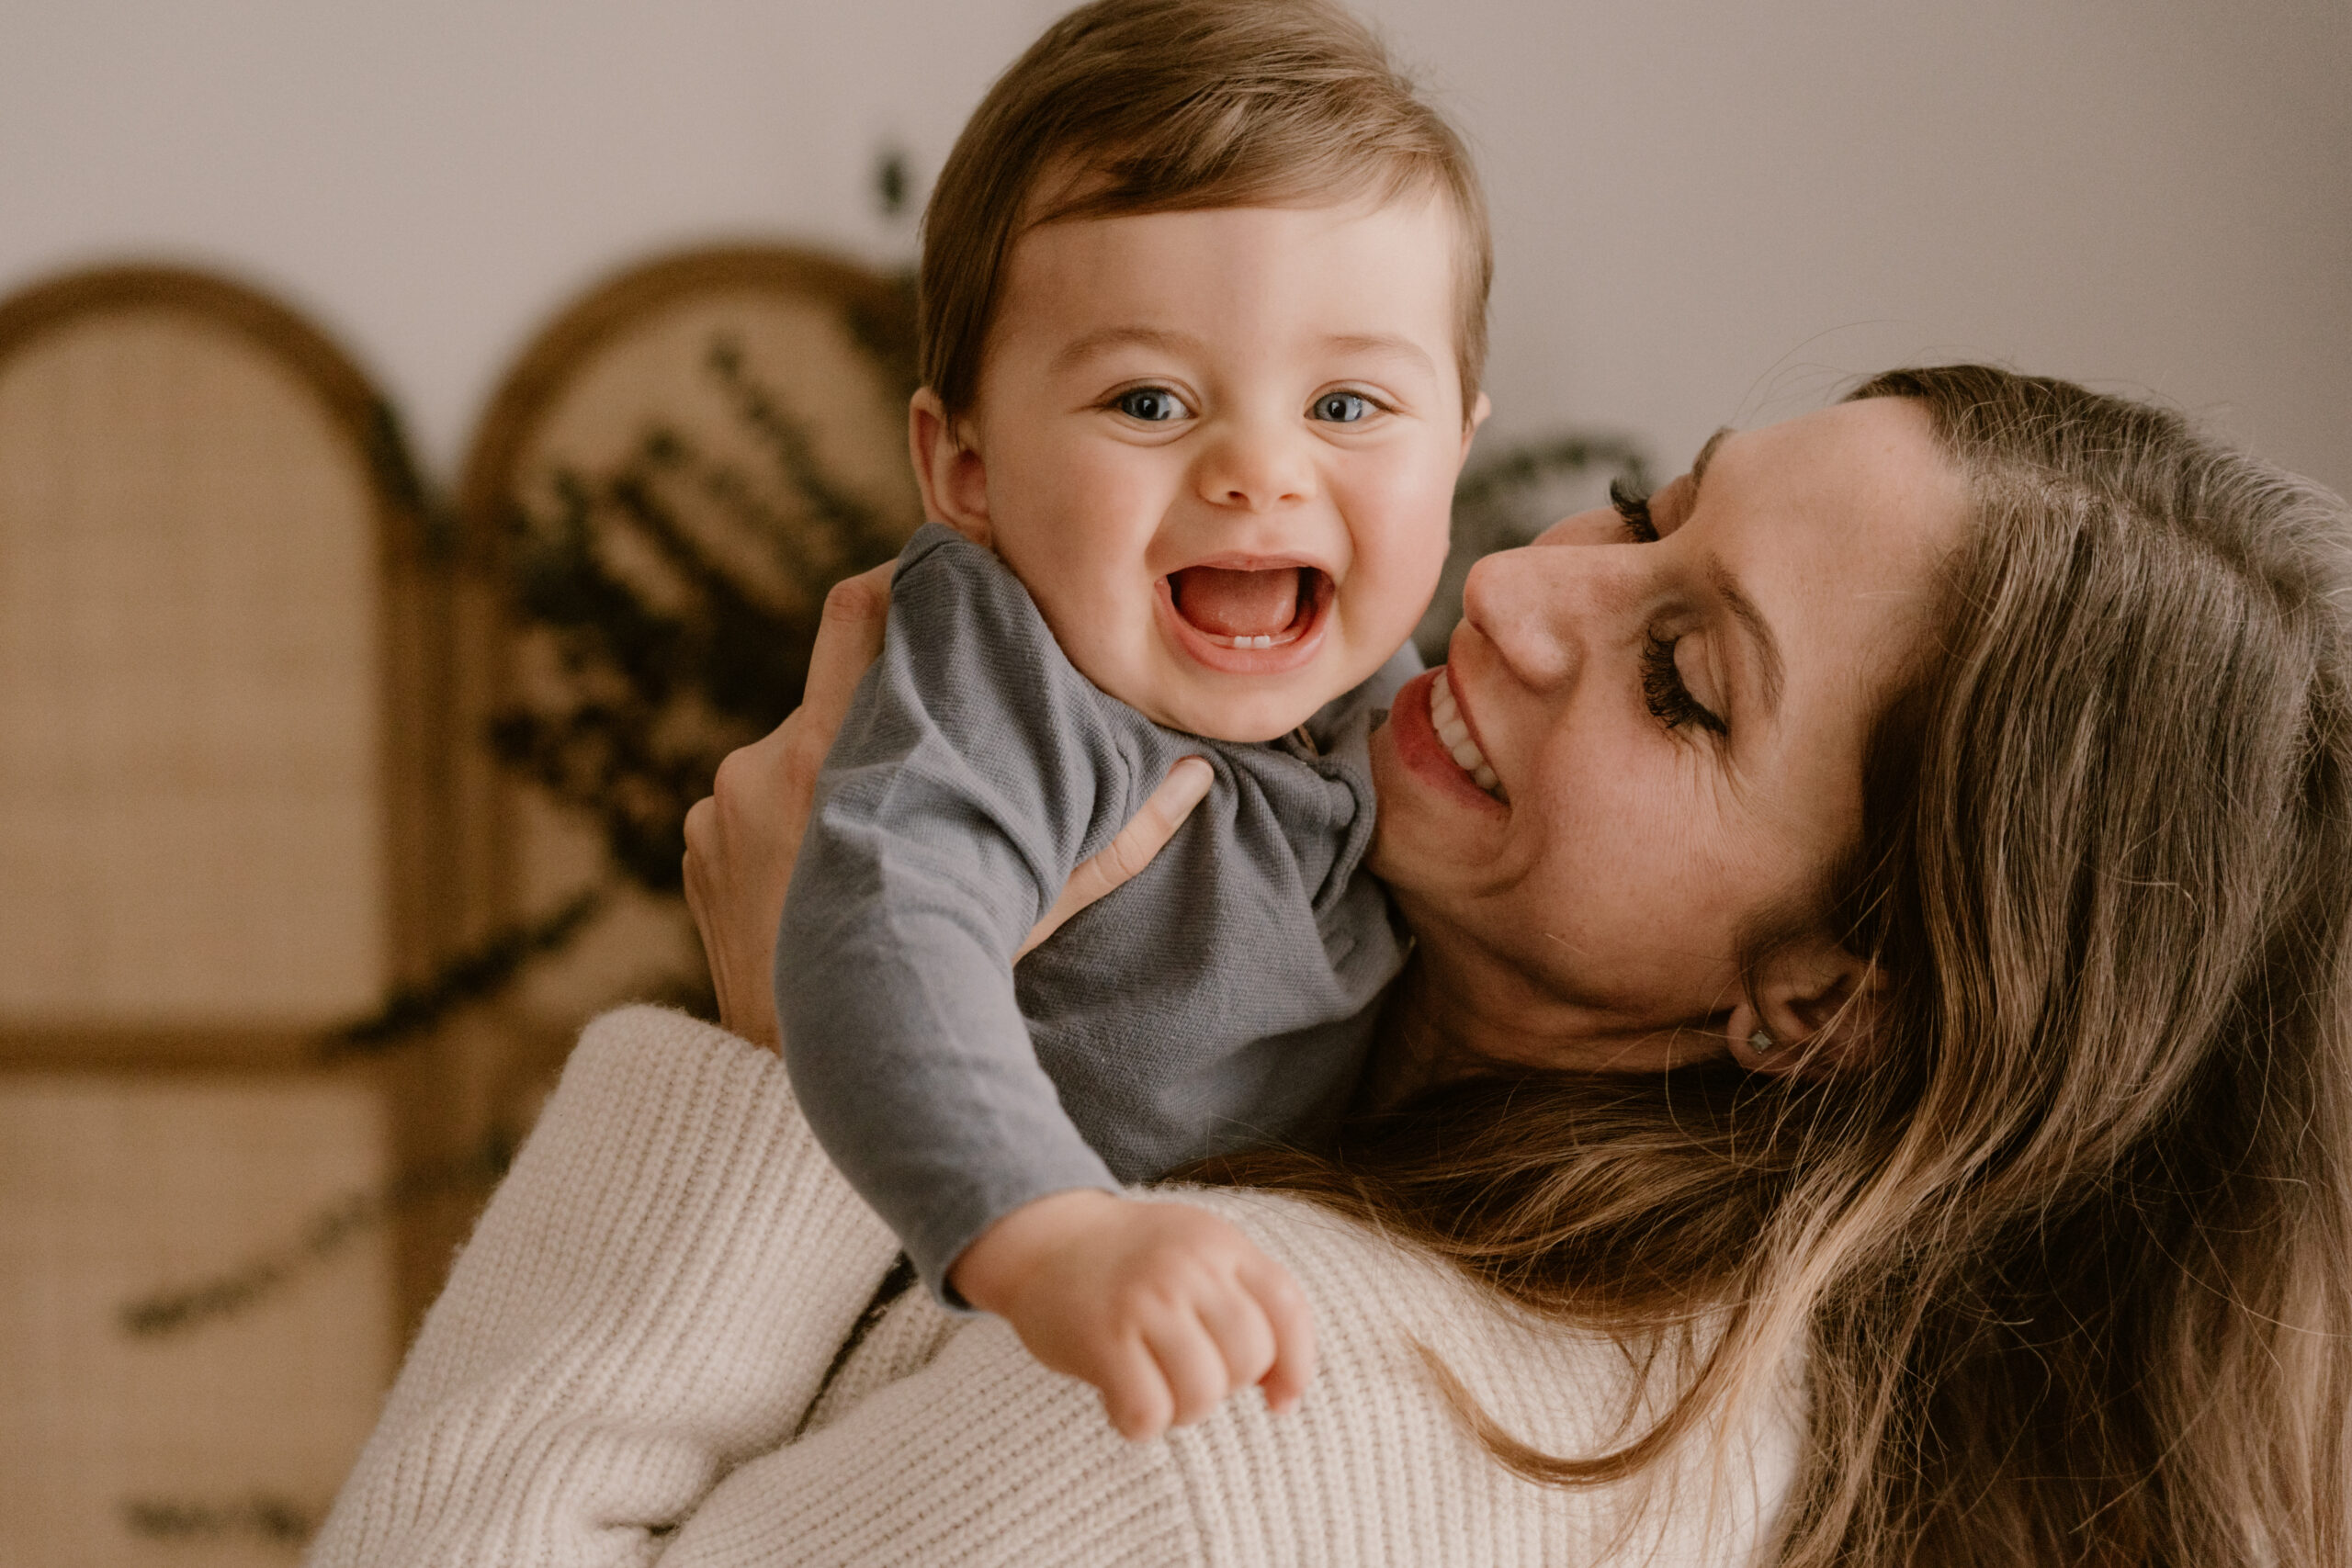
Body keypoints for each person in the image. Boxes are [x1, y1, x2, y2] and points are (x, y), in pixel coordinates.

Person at [311, 367, 2352, 1567]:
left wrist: (790, 1051)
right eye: (1645, 507)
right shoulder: (1731, 1412)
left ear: (1822, 996)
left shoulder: (1220, 1423)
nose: (1521, 583)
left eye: (1678, 680)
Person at [774, 0, 1491, 1441]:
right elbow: (886, 923)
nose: (1259, 470)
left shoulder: (1390, 698)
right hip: (950, 1348)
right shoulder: (1013, 670)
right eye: (1152, 400)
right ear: (966, 467)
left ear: (1461, 444)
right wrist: (1050, 1233)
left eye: (1349, 404)